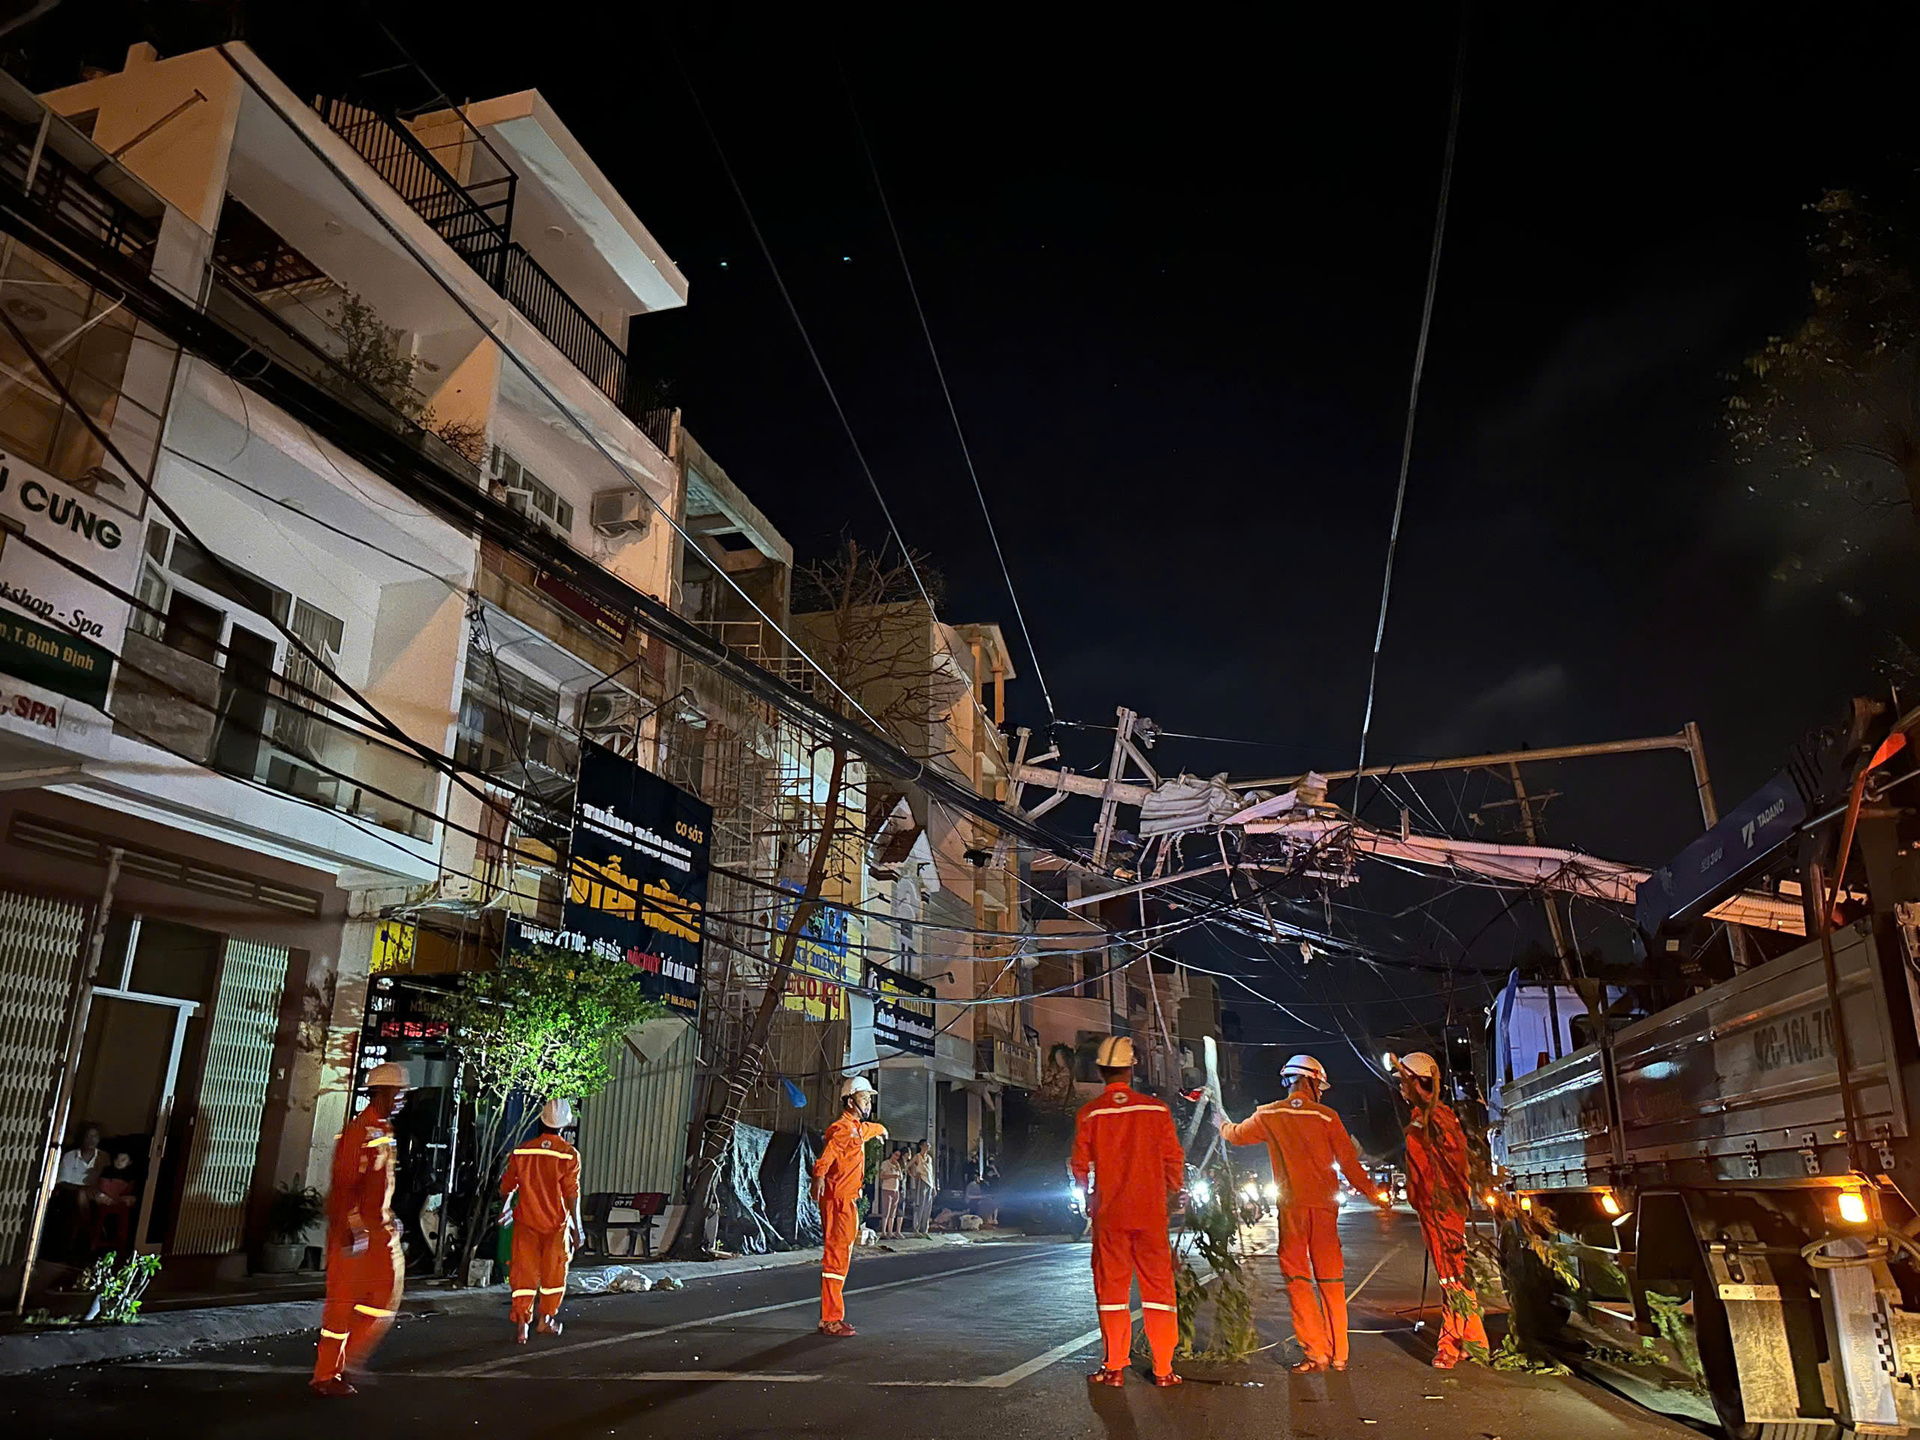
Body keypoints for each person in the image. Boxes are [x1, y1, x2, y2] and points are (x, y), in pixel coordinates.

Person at [1218, 1054, 1389, 1374]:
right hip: (1324, 1211)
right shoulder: (1327, 1117)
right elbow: (1350, 1163)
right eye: (1320, 1087)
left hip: (1291, 1212)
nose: (1321, 1093)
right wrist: (1374, 1195)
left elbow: (1236, 1135)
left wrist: (1221, 1124)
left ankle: (1316, 1353)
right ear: (1311, 1081)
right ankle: (1339, 1354)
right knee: (1331, 1280)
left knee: (1298, 1280)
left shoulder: (1269, 1114)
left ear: (1289, 1081)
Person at [1071, 1035, 1187, 1388]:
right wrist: (1176, 1193)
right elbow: (1173, 1159)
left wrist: (1087, 1200)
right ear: (1131, 1067)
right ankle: (1165, 1370)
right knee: (1159, 1291)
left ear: (1101, 1070)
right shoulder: (1156, 1110)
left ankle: (1114, 1368)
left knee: (1112, 1292)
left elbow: (1080, 1167)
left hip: (1110, 1217)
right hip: (1152, 1216)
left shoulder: (1090, 1113)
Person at [312, 1063, 410, 1397]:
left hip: (379, 1230)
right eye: (398, 1092)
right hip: (355, 1234)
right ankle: (327, 1375)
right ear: (381, 1092)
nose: (402, 1099)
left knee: (384, 1299)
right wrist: (351, 1228)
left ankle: (347, 1361)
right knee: (342, 1306)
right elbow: (344, 1186)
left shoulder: (383, 1130)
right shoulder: (359, 1133)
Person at [1390, 1052, 1490, 1368]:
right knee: (1454, 1276)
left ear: (1419, 1082)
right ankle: (1471, 1342)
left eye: (1404, 1082)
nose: (1401, 1089)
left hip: (1442, 1209)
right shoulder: (1430, 1116)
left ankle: (1454, 1345)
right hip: (1436, 1208)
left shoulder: (1437, 1118)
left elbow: (1449, 1168)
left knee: (1452, 1277)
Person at [500, 1097, 583, 1344]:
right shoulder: (568, 1155)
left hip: (526, 1223)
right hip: (556, 1226)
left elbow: (507, 1186)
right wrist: (577, 1228)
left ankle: (522, 1325)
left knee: (523, 1274)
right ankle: (545, 1320)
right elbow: (571, 1193)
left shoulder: (522, 1151)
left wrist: (504, 1209)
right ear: (565, 1125)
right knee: (553, 1276)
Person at [812, 1075, 888, 1336]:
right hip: (838, 1200)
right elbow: (828, 1154)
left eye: (868, 1098)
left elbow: (866, 1131)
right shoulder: (842, 1128)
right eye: (865, 1097)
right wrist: (819, 1177)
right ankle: (831, 1319)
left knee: (841, 1258)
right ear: (850, 1100)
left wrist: (880, 1130)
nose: (868, 1103)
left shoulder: (855, 1128)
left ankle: (830, 1317)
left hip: (847, 1200)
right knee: (836, 1260)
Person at [54, 1124, 104, 1255]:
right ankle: (86, 1234)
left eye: (95, 1137)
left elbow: (106, 1180)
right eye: (88, 1136)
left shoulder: (103, 1158)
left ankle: (85, 1237)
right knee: (80, 1195)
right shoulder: (70, 1156)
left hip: (94, 1193)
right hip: (70, 1191)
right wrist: (81, 1189)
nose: (91, 1140)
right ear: (82, 1138)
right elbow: (62, 1181)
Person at [91, 1152, 139, 1252]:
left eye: (123, 1160)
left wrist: (128, 1199)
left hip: (121, 1205)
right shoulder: (105, 1172)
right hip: (104, 1203)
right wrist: (100, 1195)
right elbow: (97, 1188)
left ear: (129, 1162)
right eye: (117, 1158)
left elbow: (131, 1195)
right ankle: (94, 1243)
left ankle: (120, 1245)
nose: (119, 1162)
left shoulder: (130, 1178)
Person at [877, 1146, 905, 1238]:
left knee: (893, 1211)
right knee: (886, 1210)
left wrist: (898, 1168)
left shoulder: (897, 1165)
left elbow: (901, 1177)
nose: (896, 1157)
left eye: (898, 1156)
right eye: (895, 1155)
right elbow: (882, 1176)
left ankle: (890, 1231)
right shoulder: (885, 1163)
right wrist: (892, 1175)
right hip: (887, 1189)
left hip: (895, 1190)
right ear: (892, 1154)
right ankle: (883, 1231)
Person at [908, 1140, 935, 1235]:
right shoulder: (917, 1157)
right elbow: (908, 1166)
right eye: (926, 1145)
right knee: (920, 1205)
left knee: (928, 1206)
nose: (927, 1147)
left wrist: (934, 1187)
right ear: (921, 1146)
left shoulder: (929, 1158)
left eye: (928, 1146)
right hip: (921, 1181)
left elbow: (931, 1173)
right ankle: (916, 1228)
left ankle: (924, 1229)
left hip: (929, 1183)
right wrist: (913, 1175)